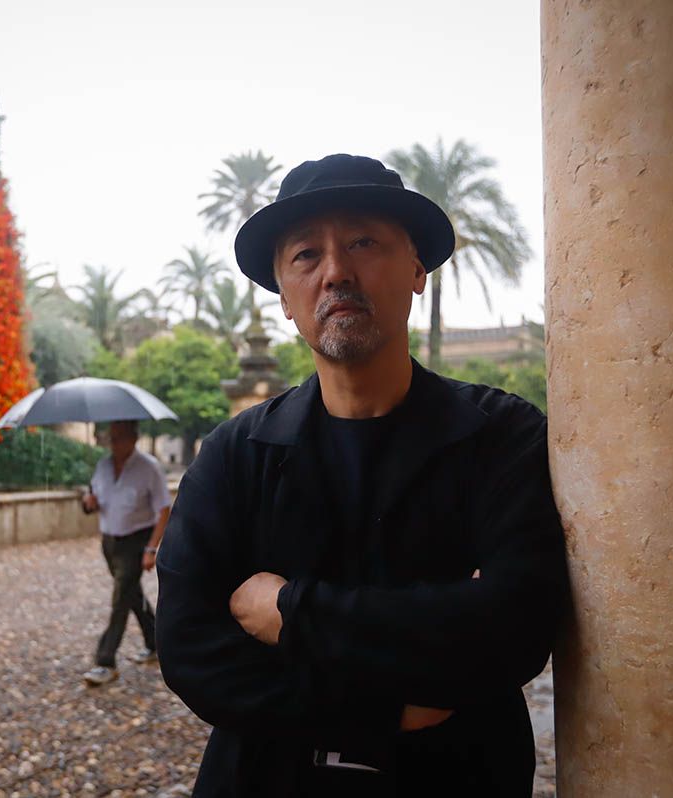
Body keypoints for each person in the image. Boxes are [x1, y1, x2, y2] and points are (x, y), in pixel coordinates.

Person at [156, 154, 569, 796]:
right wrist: (383, 708)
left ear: (416, 272)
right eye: (305, 256)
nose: (336, 272)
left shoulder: (501, 436)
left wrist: (290, 609)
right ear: (285, 299)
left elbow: (515, 629)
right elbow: (191, 651)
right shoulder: (235, 454)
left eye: (362, 242)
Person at [80, 419, 172, 687]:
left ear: (133, 438)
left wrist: (152, 548)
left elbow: (164, 509)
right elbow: (92, 500)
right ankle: (155, 642)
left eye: (119, 437)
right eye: (112, 437)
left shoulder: (149, 468)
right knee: (131, 594)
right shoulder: (102, 466)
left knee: (120, 598)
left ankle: (105, 660)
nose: (114, 442)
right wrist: (89, 503)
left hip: (136, 541)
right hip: (110, 542)